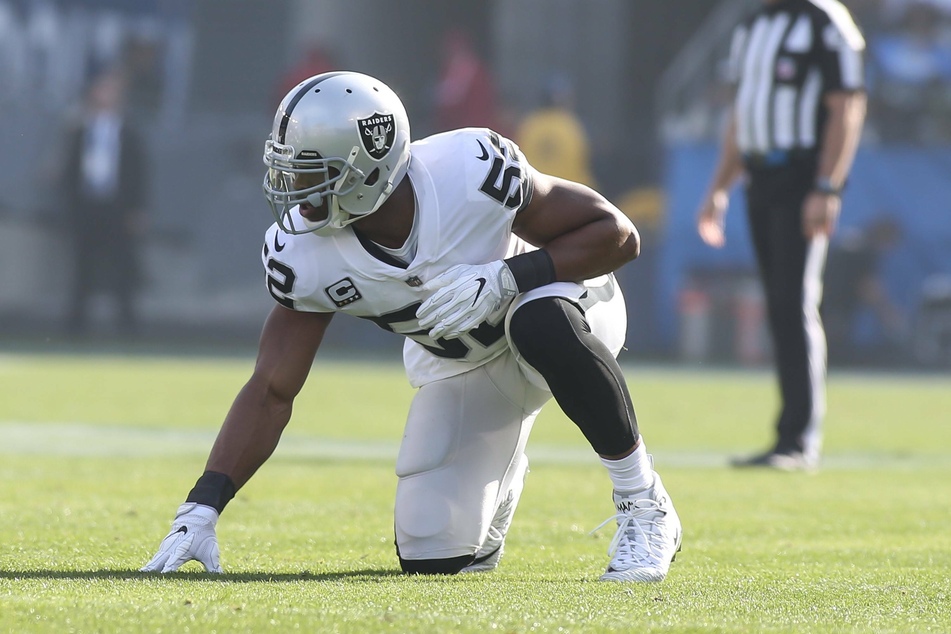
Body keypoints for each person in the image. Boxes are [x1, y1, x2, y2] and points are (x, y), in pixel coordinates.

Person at [140, 71, 682, 582]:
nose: (295, 191)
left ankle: (644, 504)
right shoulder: (303, 254)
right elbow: (272, 388)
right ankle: (497, 481)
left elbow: (617, 234)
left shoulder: (469, 170)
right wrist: (202, 506)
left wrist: (509, 276)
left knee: (536, 320)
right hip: (467, 363)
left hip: (566, 309)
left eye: (311, 171)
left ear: (367, 167)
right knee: (432, 554)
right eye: (289, 169)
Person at [696, 0, 867, 470]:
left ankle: (797, 440)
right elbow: (743, 113)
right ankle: (787, 436)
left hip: (802, 174)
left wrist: (827, 185)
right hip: (760, 176)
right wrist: (719, 189)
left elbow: (847, 104)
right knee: (778, 302)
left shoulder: (824, 20)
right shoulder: (752, 25)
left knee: (793, 300)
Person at [59, 67, 149, 337]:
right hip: (88, 207)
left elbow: (139, 173)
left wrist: (137, 209)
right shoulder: (79, 130)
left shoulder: (128, 133)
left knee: (122, 265)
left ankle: (127, 324)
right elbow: (70, 171)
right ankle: (77, 325)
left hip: (117, 209)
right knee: (82, 266)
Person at [823, 216, 905, 365]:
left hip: (822, 298)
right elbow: (868, 287)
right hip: (836, 306)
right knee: (831, 348)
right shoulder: (865, 251)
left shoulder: (852, 240)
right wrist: (887, 313)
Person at [515, 73, 598, 188]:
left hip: (536, 192)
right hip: (570, 193)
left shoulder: (530, 124)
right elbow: (586, 161)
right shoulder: (572, 125)